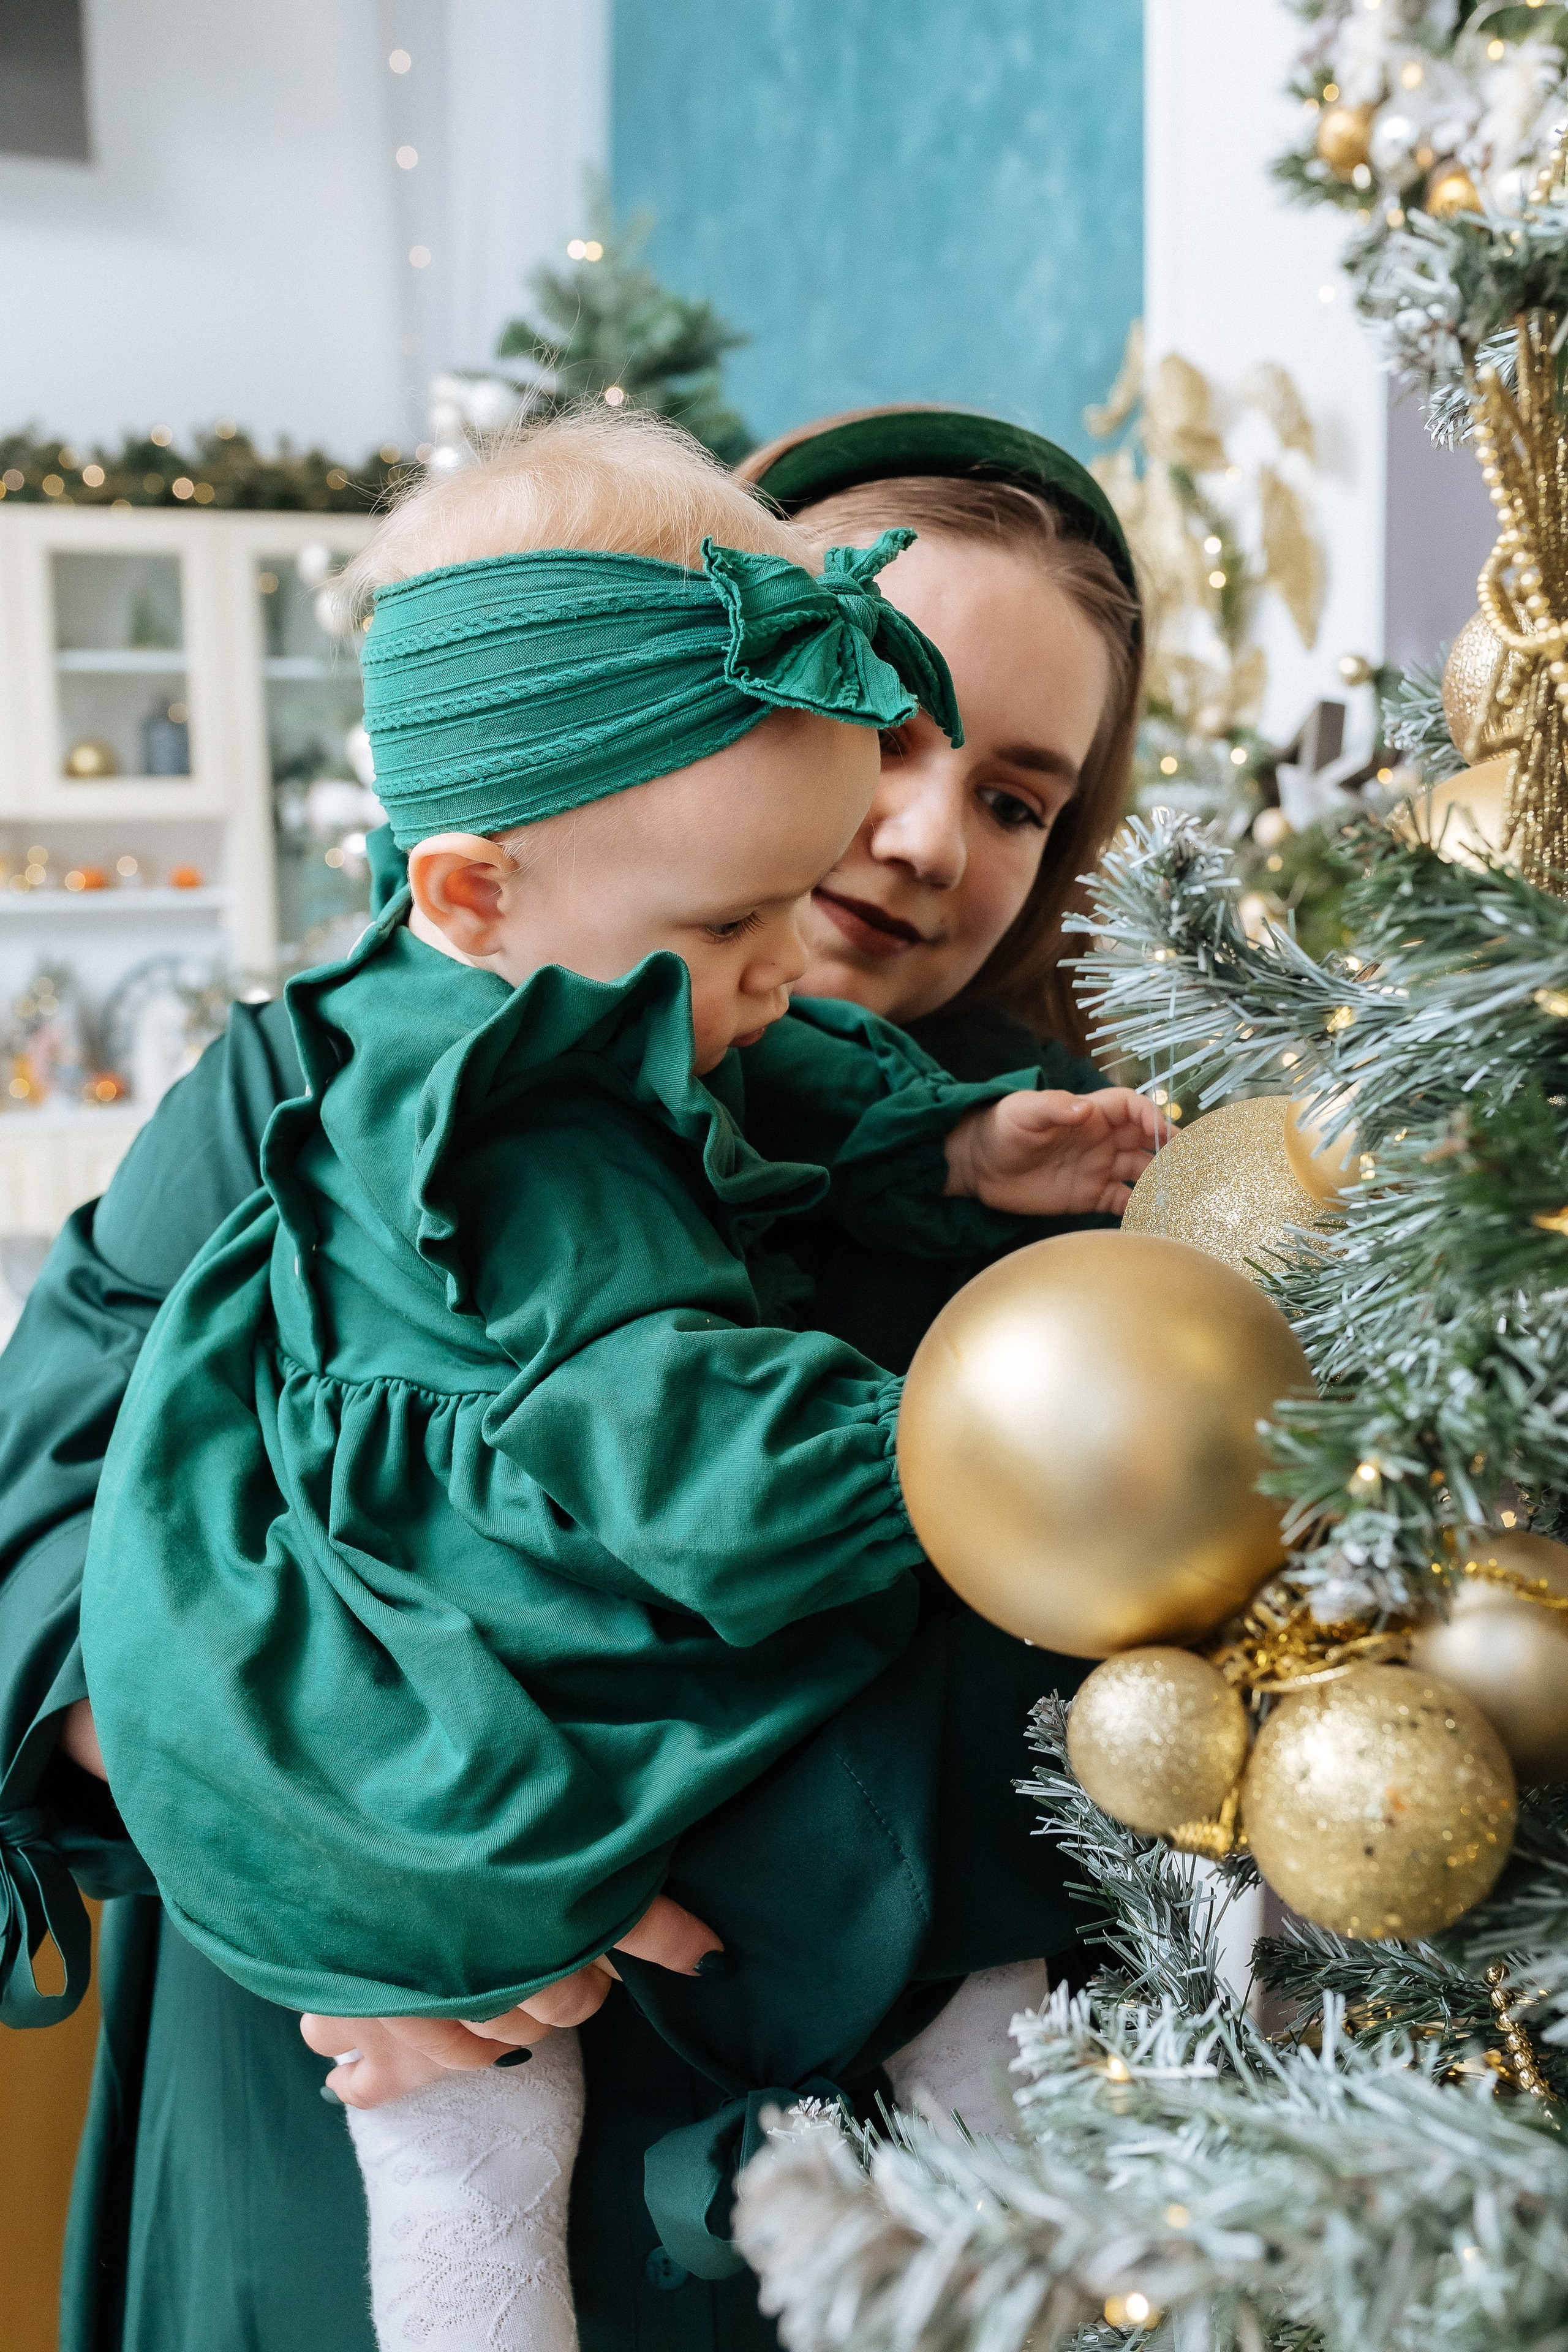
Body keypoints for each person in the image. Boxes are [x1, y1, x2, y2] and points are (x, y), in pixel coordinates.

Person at [0, 405, 1142, 2352]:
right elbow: (36, 1534)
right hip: (345, 2155)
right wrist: (372, 1839)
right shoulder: (323, 1096)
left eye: (1020, 798)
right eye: (894, 727)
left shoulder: (1064, 1185)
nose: (928, 832)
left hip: (849, 2237)